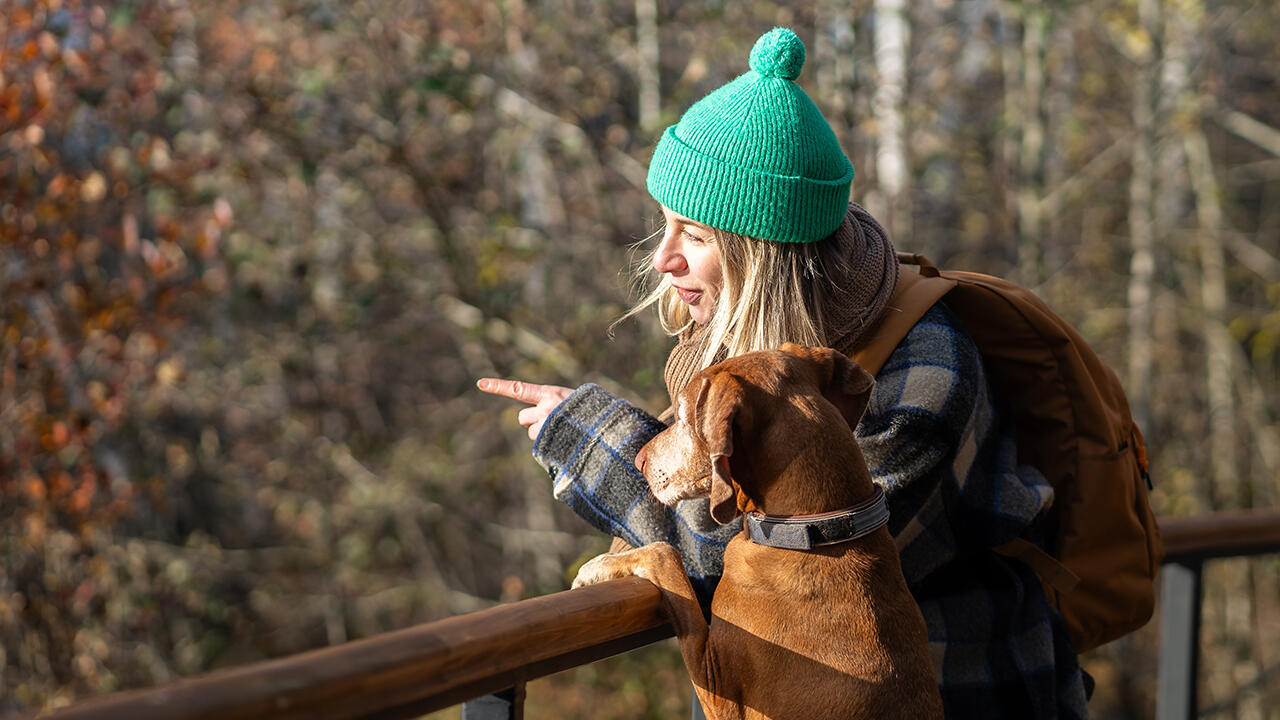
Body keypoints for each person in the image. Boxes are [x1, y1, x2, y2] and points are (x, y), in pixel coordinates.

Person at [478, 27, 1090, 719]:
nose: (663, 259)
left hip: (976, 694)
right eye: (665, 224)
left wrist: (587, 437)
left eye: (698, 236)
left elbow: (755, 557)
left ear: (762, 254)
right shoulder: (759, 346)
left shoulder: (921, 375)